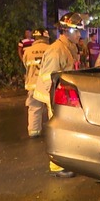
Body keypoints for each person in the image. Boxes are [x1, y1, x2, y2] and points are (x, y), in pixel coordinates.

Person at [34, 12, 86, 178]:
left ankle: (65, 160)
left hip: (63, 96)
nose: (79, 34)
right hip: (54, 96)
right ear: (67, 31)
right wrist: (56, 101)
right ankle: (56, 166)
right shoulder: (56, 50)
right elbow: (48, 78)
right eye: (77, 31)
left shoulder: (68, 48)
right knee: (57, 128)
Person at [22, 28, 50, 138]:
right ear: (46, 38)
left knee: (34, 108)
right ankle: (53, 132)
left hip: (33, 84)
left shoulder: (28, 51)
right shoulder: (51, 49)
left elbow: (26, 65)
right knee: (51, 108)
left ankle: (34, 131)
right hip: (47, 83)